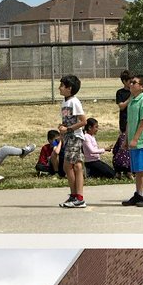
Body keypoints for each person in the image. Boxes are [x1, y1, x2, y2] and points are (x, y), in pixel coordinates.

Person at [120, 75, 143, 207]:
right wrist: (126, 139)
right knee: (138, 170)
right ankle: (139, 194)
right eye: (131, 82)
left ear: (142, 87)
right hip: (133, 140)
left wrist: (135, 139)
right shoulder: (132, 101)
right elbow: (129, 122)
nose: (131, 84)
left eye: (134, 82)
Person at [57, 74, 87, 209]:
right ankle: (75, 195)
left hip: (75, 137)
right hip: (69, 137)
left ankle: (77, 197)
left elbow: (83, 121)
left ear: (69, 88)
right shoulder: (65, 102)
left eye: (62, 86)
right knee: (76, 166)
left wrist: (68, 129)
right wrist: (62, 128)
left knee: (68, 166)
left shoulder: (74, 102)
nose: (59, 88)